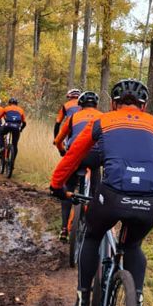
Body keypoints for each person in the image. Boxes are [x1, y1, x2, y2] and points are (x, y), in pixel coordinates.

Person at [49, 78, 153, 306]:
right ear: (144, 104)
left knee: (92, 234)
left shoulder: (103, 121)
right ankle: (137, 305)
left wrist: (56, 184)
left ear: (113, 103)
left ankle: (83, 303)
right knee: (132, 246)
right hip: (150, 200)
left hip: (114, 195)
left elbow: (73, 154)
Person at [53, 91, 103, 241]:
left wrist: (62, 151)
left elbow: (58, 140)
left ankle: (63, 229)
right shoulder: (103, 117)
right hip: (96, 157)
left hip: (76, 156)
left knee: (68, 188)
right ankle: (94, 226)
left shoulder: (73, 117)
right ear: (96, 105)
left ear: (80, 106)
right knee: (95, 190)